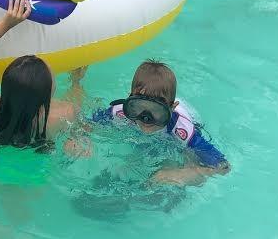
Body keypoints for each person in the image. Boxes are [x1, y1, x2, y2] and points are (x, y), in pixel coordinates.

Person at [0, 0, 85, 151]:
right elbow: (79, 114)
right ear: (49, 91)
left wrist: (6, 23)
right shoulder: (64, 113)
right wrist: (76, 81)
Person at [89, 59, 230, 186]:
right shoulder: (123, 112)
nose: (146, 118)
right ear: (130, 101)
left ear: (172, 108)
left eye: (156, 110)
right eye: (140, 106)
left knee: (178, 170)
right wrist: (82, 138)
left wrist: (186, 173)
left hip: (186, 126)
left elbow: (224, 166)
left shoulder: (181, 130)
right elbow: (89, 124)